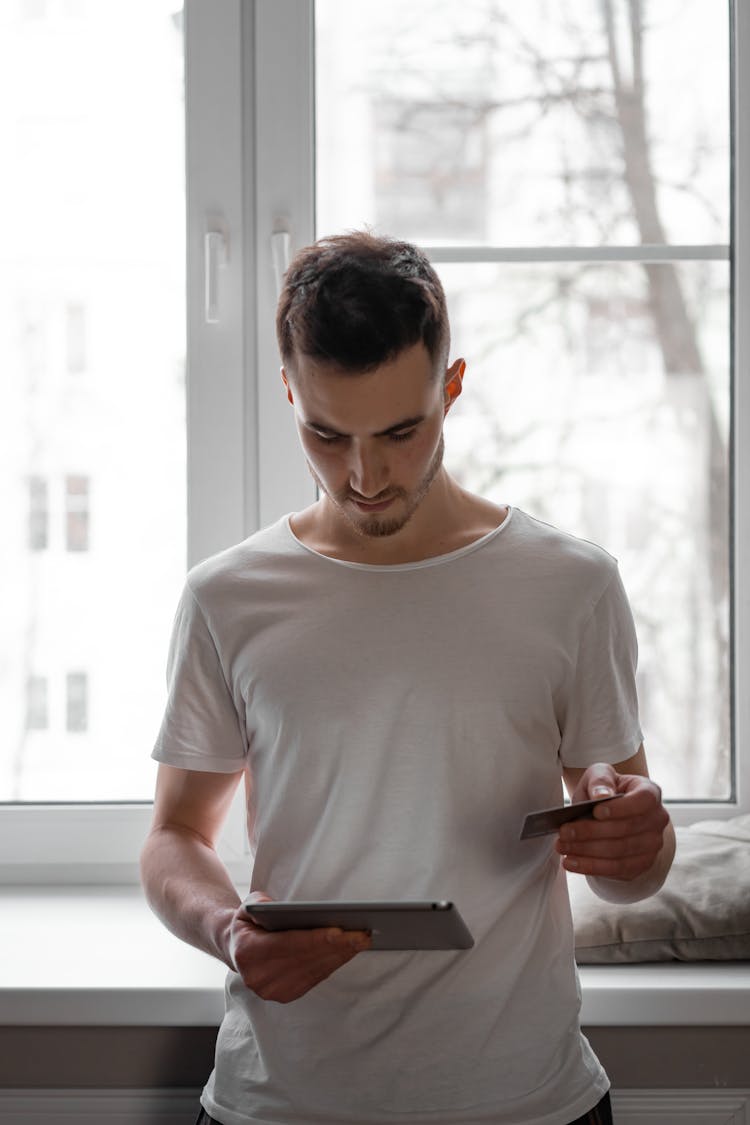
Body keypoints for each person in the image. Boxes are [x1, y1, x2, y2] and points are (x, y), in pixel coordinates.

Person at [141, 231, 675, 1125]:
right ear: (288, 392)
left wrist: (637, 843)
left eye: (400, 430)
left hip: (525, 1103)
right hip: (283, 1103)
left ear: (451, 387)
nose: (366, 476)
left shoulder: (572, 585)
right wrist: (225, 931)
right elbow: (174, 837)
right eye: (326, 432)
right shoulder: (225, 597)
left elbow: (628, 865)